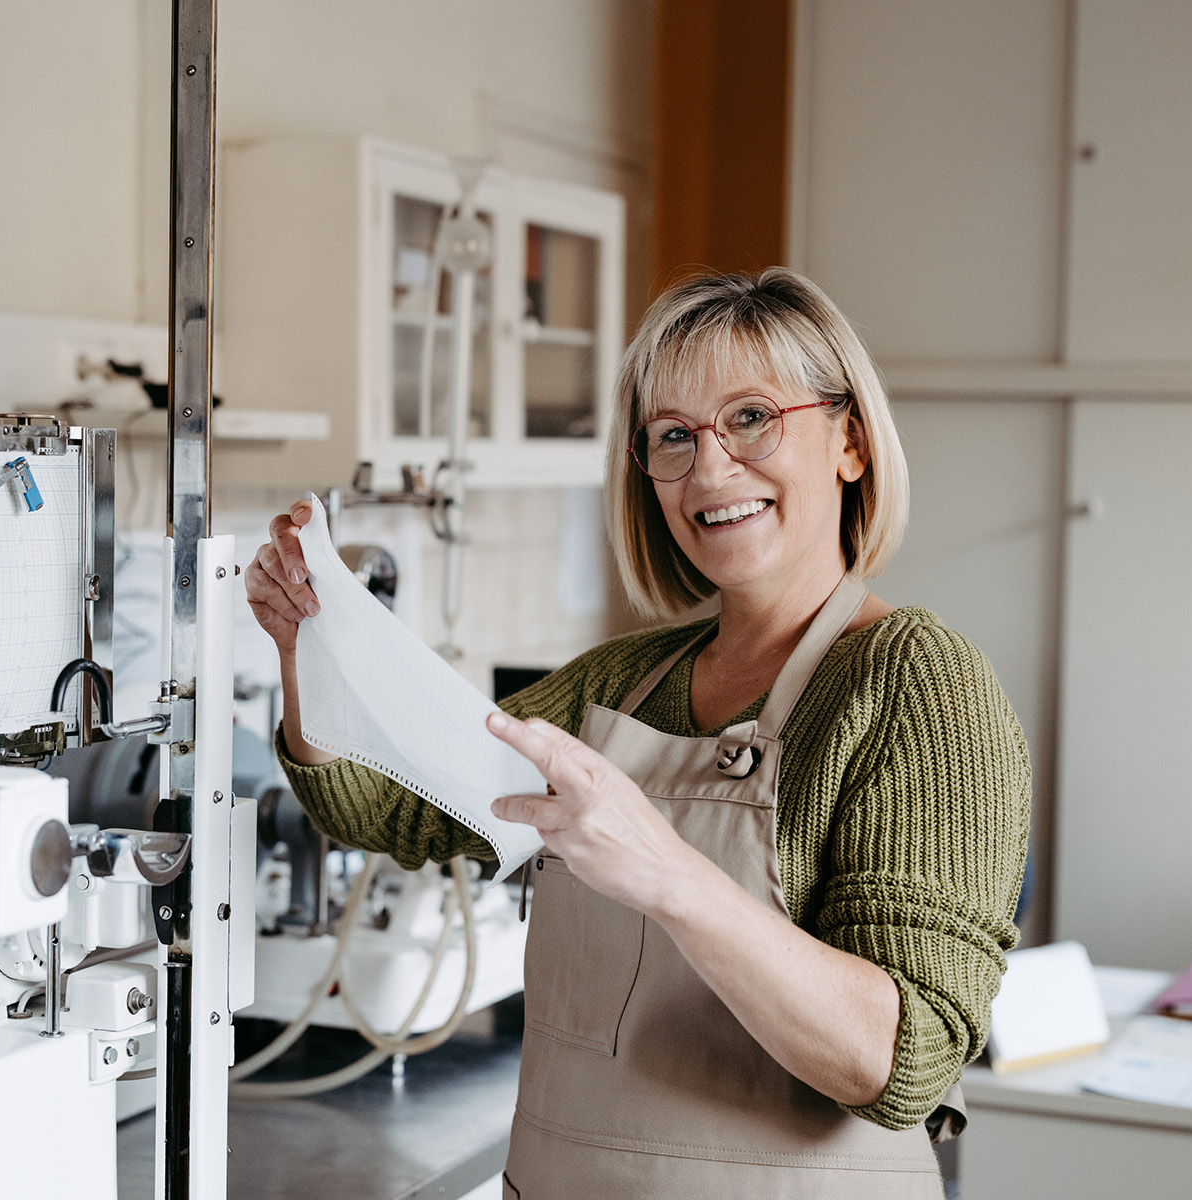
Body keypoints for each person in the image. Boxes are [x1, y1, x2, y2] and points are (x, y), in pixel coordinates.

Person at [245, 269, 1030, 1198]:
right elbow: (388, 805)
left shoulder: (917, 686)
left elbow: (904, 1058)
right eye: (673, 437)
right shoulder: (621, 682)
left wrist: (667, 874)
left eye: (751, 418)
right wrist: (310, 647)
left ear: (850, 442)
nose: (710, 471)